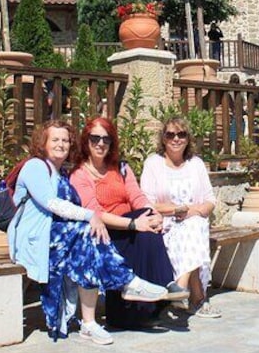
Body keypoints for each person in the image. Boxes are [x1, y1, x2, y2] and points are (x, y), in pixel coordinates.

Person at [7, 120, 171, 345]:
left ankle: (91, 321)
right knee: (87, 234)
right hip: (34, 240)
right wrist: (90, 216)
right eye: (55, 139)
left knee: (87, 244)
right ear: (43, 142)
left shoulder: (58, 171)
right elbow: (51, 203)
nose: (61, 144)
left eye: (65, 140)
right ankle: (125, 284)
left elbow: (135, 197)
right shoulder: (35, 166)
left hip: (56, 237)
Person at [70, 117, 187, 329]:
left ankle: (159, 294)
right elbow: (95, 212)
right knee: (143, 227)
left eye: (106, 139)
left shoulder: (121, 168)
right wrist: (133, 224)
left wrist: (153, 214)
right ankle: (166, 283)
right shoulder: (79, 175)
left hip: (131, 227)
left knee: (147, 221)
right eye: (95, 138)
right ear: (86, 141)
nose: (100, 143)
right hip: (105, 234)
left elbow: (137, 197)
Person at [140, 116, 222, 318]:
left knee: (193, 226)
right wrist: (176, 210)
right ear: (163, 139)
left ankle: (180, 287)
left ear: (188, 138)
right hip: (165, 224)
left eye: (181, 134)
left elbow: (210, 200)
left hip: (193, 221)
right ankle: (197, 297)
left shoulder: (196, 164)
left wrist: (194, 211)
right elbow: (146, 203)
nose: (176, 139)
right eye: (170, 135)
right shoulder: (153, 164)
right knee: (192, 234)